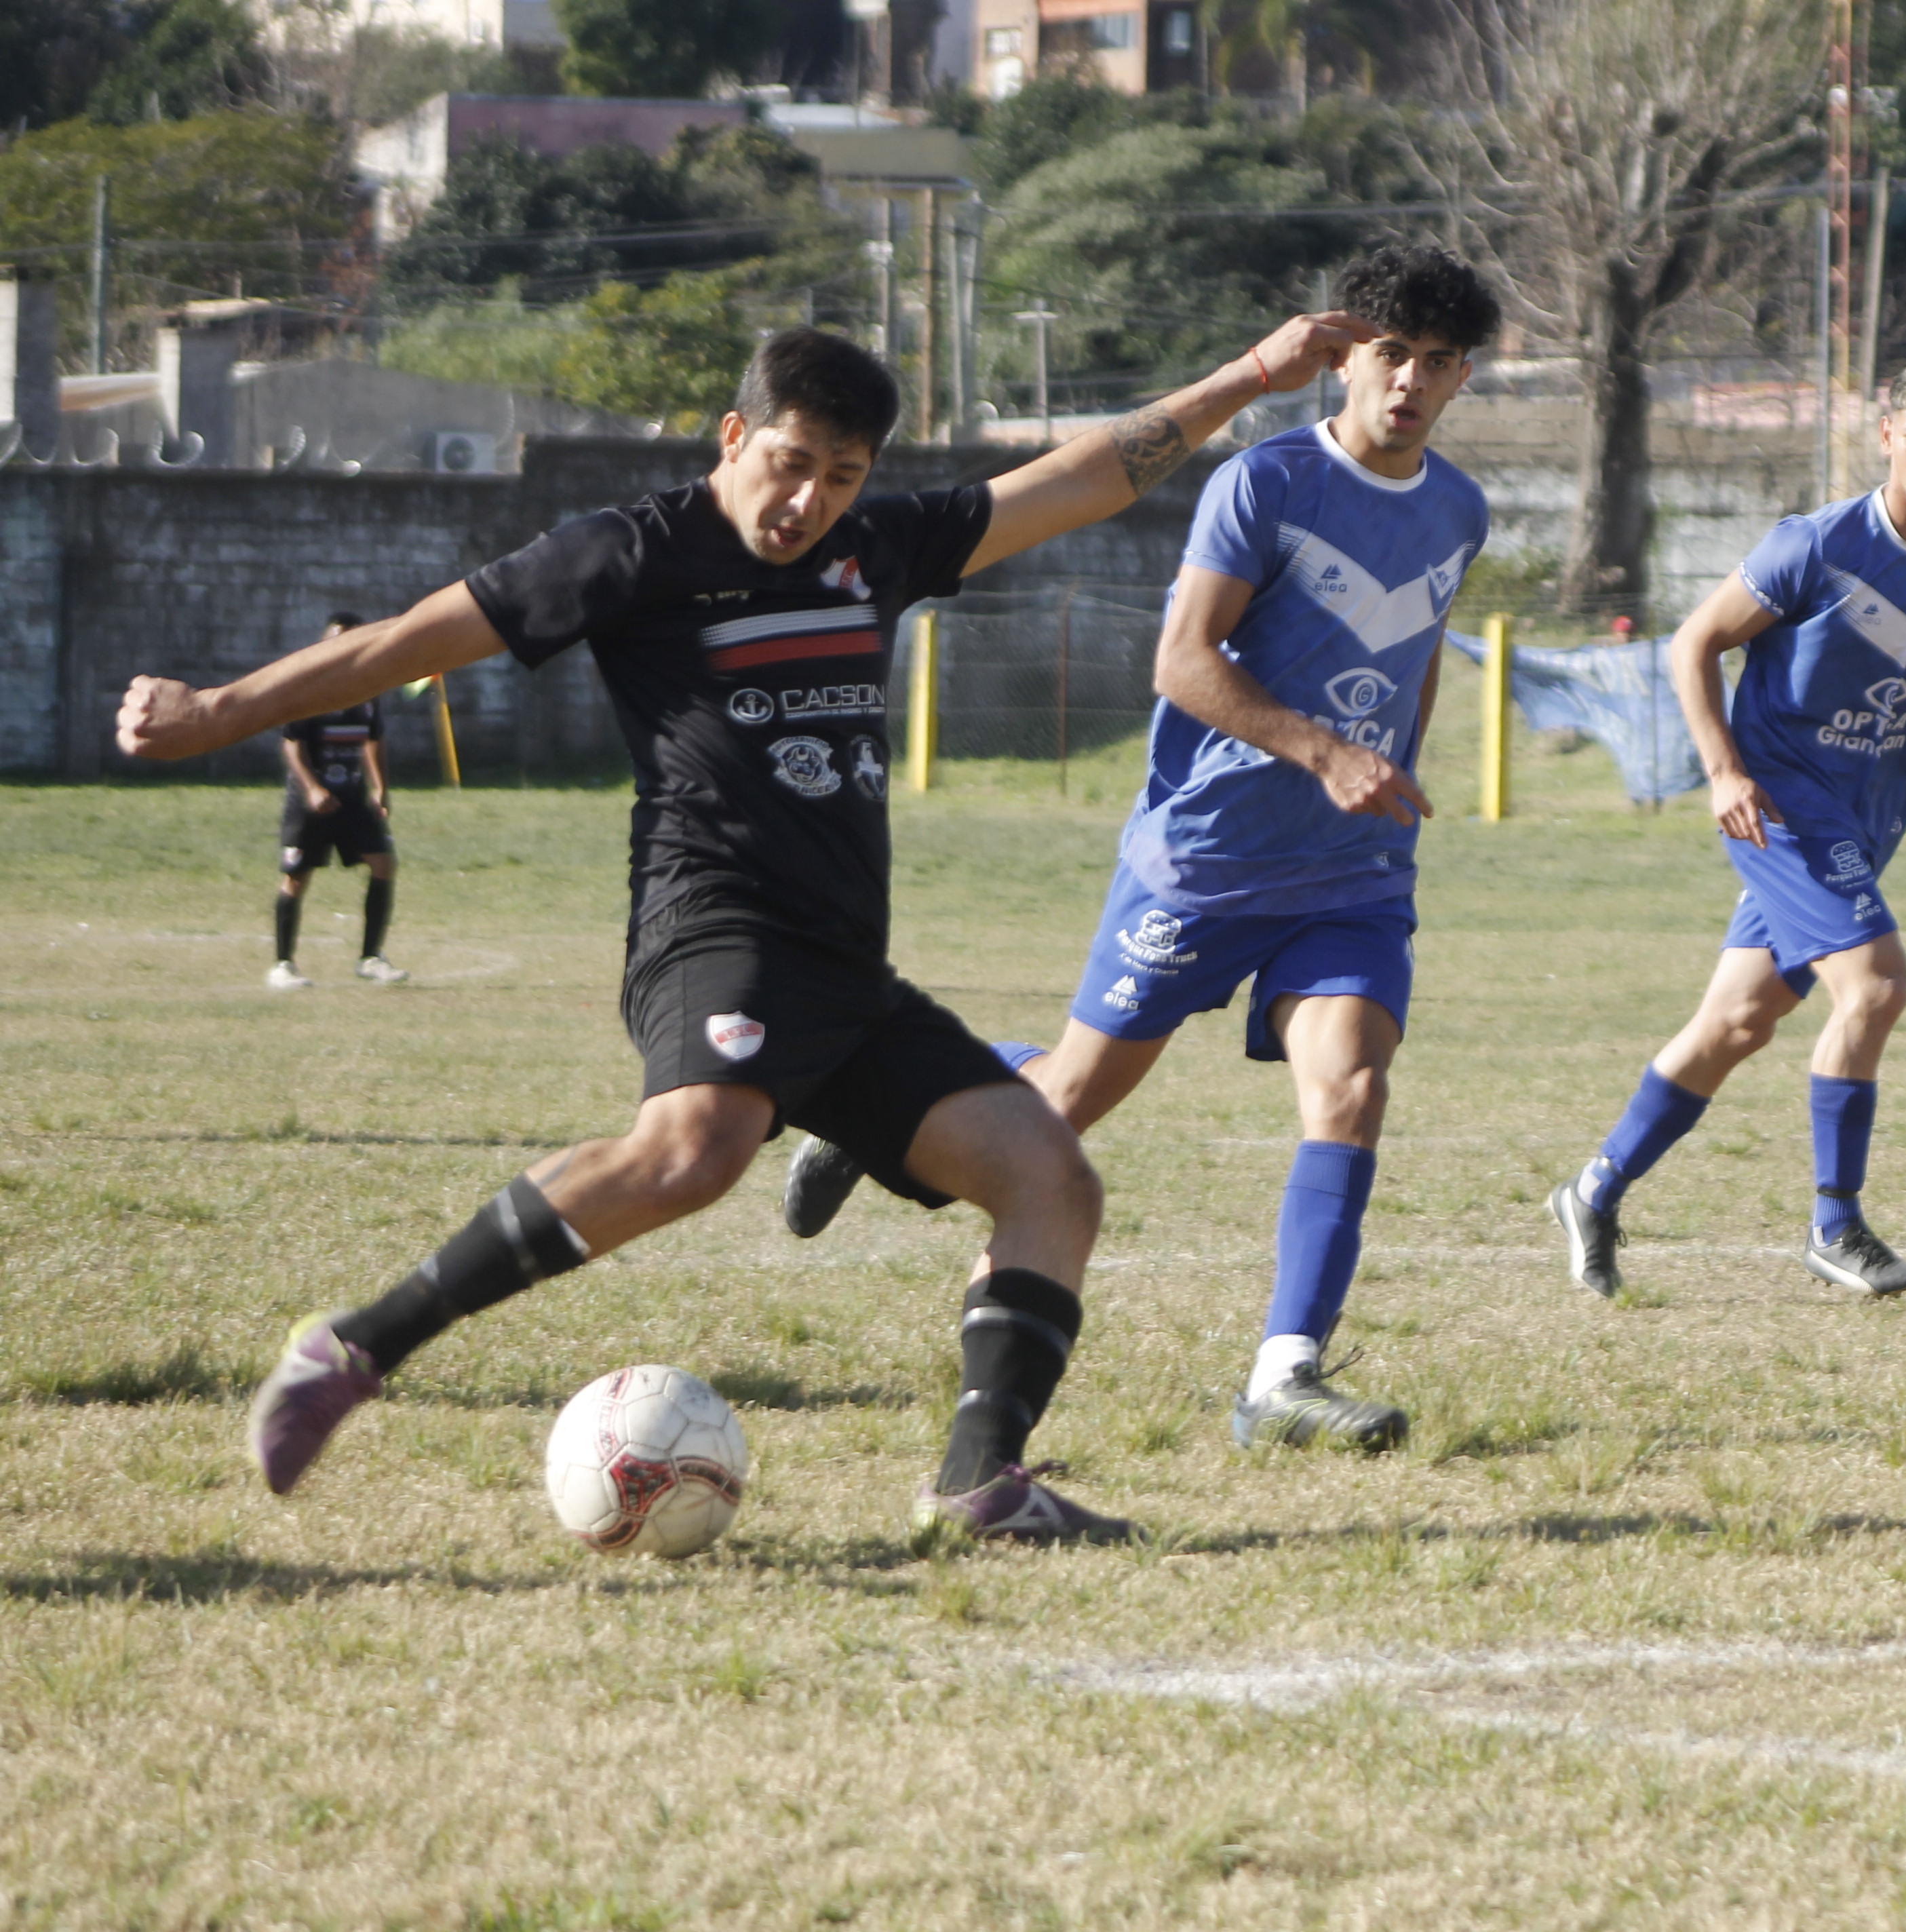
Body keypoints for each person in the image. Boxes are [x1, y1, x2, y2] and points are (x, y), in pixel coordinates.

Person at [116, 313, 1369, 1546]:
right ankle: (354, 1349)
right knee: (696, 1150)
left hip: (843, 969)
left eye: (842, 475)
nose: (807, 501)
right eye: (789, 462)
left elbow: (1084, 476)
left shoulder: (876, 548)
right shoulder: (631, 551)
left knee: (1048, 1179)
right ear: (733, 436)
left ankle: (982, 1482)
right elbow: (404, 643)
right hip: (712, 920)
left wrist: (1253, 376)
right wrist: (217, 710)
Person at [781, 245, 1499, 1454]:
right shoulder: (1264, 486)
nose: (1408, 383)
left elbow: (1418, 649)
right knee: (1062, 1105)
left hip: (1348, 876)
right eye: (1388, 355)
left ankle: (1284, 1377)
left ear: (1462, 374)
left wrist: (1385, 779)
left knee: (1353, 1087)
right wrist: (1324, 751)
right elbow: (1181, 662)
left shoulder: (1459, 507)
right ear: (1344, 356)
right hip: (1207, 860)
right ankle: (874, 1110)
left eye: (1436, 364)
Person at [1548, 356, 1906, 1300]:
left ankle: (1593, 1191)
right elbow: (1694, 642)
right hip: (1780, 803)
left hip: (1868, 814)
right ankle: (1834, 1223)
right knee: (1877, 988)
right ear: (1885, 436)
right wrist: (1723, 770)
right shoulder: (1818, 544)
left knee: (1736, 1021)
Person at [270, 613, 406, 990]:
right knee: (296, 877)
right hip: (311, 800)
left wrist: (380, 788)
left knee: (383, 864)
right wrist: (312, 789)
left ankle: (370, 957)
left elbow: (373, 739)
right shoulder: (310, 688)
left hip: (352, 796)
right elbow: (292, 744)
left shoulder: (368, 687)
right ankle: (283, 965)